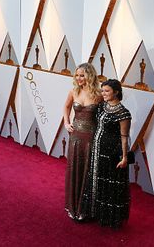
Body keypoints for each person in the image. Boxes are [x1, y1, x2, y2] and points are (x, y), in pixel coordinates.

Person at [85, 79, 132, 228]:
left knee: (110, 185)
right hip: (97, 150)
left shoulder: (123, 113)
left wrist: (124, 157)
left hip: (112, 153)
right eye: (102, 90)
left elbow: (124, 137)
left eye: (107, 91)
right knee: (97, 179)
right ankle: (96, 213)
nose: (103, 93)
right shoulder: (102, 106)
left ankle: (110, 218)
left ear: (116, 92)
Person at [63, 63, 101, 221]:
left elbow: (102, 117)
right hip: (76, 137)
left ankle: (86, 208)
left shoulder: (98, 94)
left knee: (88, 170)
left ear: (90, 76)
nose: (78, 78)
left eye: (82, 75)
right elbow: (66, 107)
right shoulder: (73, 91)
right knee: (75, 168)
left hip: (91, 137)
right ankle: (73, 205)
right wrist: (66, 122)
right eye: (77, 75)